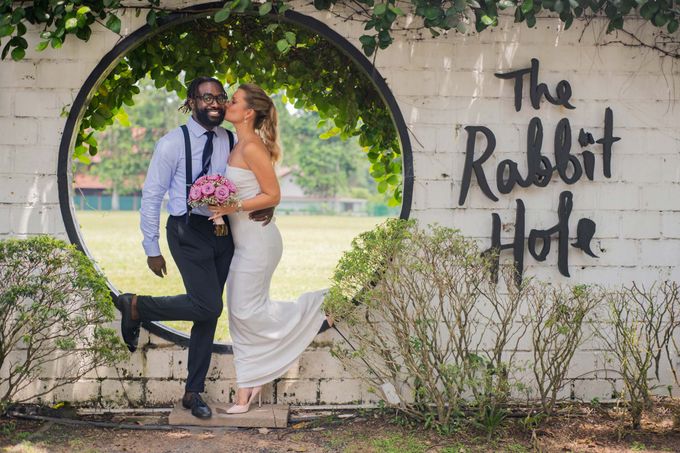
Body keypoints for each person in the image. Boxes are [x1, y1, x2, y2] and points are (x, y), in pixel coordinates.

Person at [114, 77, 273, 419]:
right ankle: (138, 306)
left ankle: (192, 392)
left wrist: (265, 203)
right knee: (208, 304)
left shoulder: (230, 139)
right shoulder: (171, 143)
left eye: (220, 97)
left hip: (222, 231)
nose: (215, 103)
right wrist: (151, 246)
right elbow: (152, 196)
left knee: (208, 313)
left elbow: (248, 180)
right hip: (186, 230)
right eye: (207, 98)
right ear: (192, 101)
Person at [207, 84, 332, 414]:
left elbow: (273, 194)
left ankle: (319, 304)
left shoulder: (252, 147)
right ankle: (249, 385)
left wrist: (230, 206)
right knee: (241, 313)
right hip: (245, 241)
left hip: (259, 242)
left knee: (245, 311)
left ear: (248, 112)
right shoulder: (237, 144)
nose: (226, 104)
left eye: (233, 101)